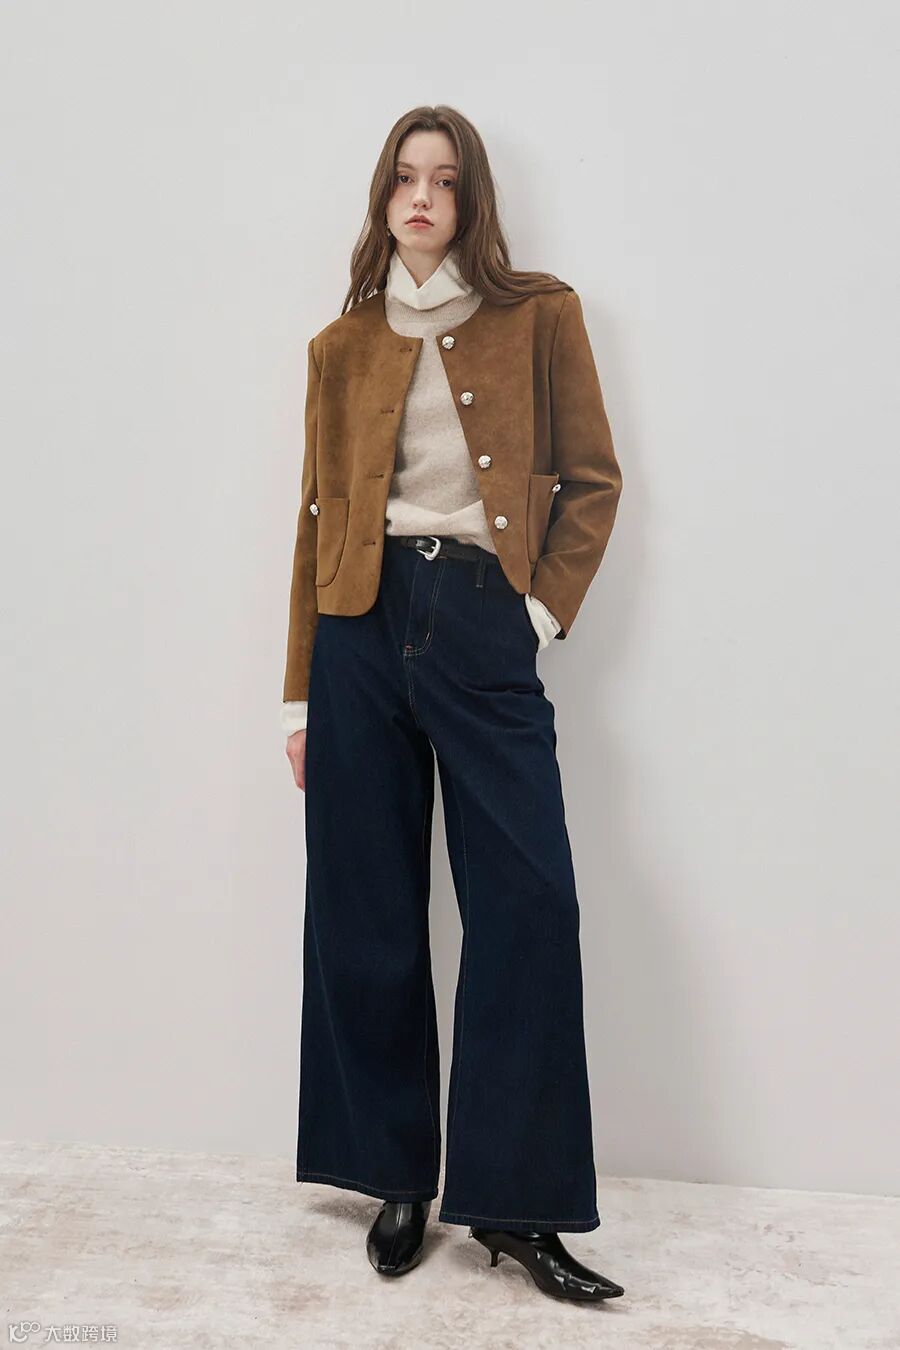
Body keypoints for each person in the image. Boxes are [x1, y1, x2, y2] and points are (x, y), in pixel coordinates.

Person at [282, 105, 625, 1304]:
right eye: (404, 178)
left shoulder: (541, 316)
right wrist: (297, 698)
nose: (422, 197)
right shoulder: (340, 346)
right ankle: (394, 1177)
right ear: (383, 199)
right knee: (366, 908)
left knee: (529, 904)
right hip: (357, 631)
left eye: (444, 180)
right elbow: (316, 521)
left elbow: (594, 482)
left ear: (472, 201)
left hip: (483, 623)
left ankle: (517, 1207)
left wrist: (533, 617)